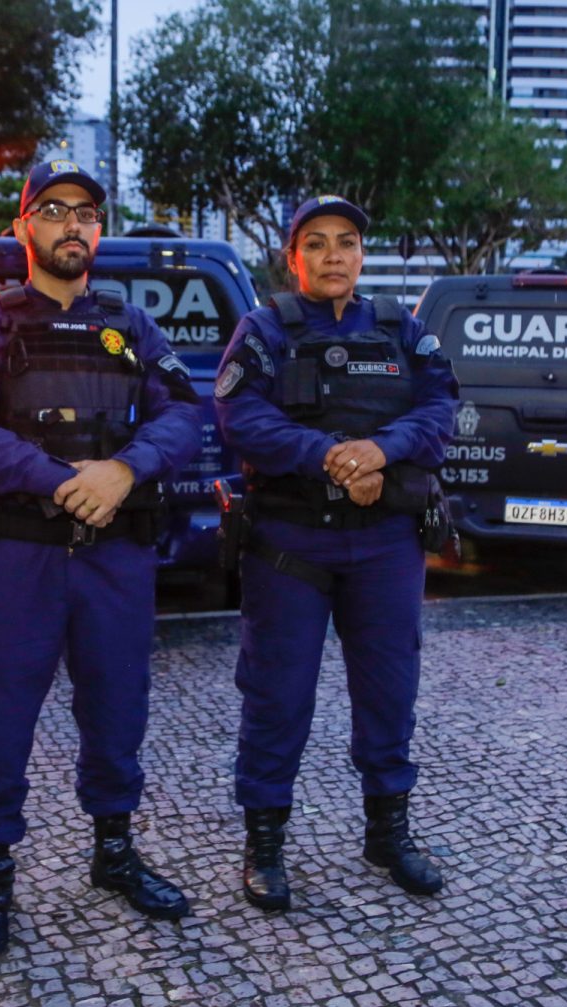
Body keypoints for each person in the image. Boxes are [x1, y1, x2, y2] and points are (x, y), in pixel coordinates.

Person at [0, 159, 203, 959]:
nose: (72, 225)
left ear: (99, 230)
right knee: (1, 715)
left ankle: (114, 854)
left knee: (119, 708)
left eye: (86, 213)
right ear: (25, 227)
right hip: (21, 553)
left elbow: (184, 415)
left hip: (115, 556)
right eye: (54, 210)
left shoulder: (132, 327)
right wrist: (61, 482)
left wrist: (125, 470)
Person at [213, 195, 460, 910]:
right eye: (315, 243)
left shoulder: (400, 329)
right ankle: (265, 844)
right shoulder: (263, 332)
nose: (332, 256)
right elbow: (239, 416)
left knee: (389, 693)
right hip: (290, 546)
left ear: (361, 254)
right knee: (276, 696)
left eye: (345, 242)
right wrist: (329, 457)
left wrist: (382, 450)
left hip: (385, 543)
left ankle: (388, 835)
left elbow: (441, 408)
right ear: (294, 258)